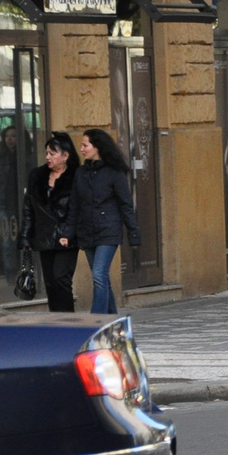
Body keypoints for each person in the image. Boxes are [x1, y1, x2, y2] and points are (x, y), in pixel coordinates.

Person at [59, 129, 139, 315]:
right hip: (86, 232)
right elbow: (74, 206)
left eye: (85, 145)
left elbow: (125, 204)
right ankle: (112, 318)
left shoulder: (114, 172)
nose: (82, 149)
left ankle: (97, 319)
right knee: (102, 278)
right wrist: (67, 233)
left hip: (108, 231)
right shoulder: (81, 173)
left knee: (99, 275)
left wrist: (133, 232)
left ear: (97, 147)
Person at [18, 131, 78, 311]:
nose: (48, 157)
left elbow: (77, 209)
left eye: (53, 153)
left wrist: (69, 232)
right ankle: (56, 321)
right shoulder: (37, 175)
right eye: (47, 153)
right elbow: (28, 207)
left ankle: (68, 321)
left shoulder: (76, 176)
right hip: (44, 236)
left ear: (65, 156)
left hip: (66, 237)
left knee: (62, 278)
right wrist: (26, 237)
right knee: (50, 282)